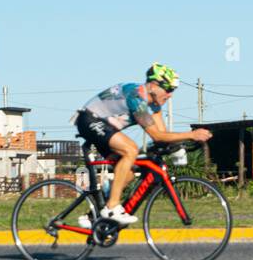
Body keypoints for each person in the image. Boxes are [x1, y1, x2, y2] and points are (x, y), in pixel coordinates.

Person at [74, 63, 212, 226]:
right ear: (153, 86)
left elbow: (162, 137)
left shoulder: (155, 106)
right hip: (89, 119)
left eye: (173, 91)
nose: (170, 95)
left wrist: (180, 145)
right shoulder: (137, 97)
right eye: (168, 89)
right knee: (131, 149)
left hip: (106, 127)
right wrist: (191, 134)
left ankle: (95, 214)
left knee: (129, 172)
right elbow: (155, 134)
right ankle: (111, 208)